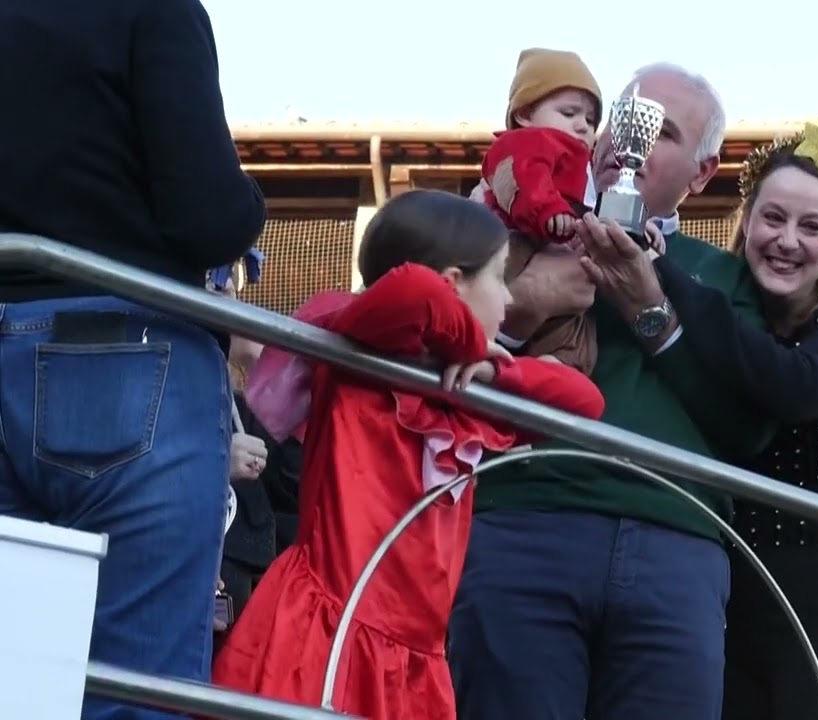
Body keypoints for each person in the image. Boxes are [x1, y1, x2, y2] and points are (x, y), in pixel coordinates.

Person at [449, 63, 776, 720]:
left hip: (677, 539)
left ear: (703, 172)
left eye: (662, 133)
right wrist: (525, 300)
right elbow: (422, 361)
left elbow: (748, 430)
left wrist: (653, 312)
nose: (626, 144)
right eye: (626, 120)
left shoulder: (724, 277)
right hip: (521, 519)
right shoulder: (502, 238)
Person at [213, 190, 606, 720]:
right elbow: (410, 293)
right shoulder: (358, 352)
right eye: (500, 276)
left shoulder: (469, 400)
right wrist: (466, 342)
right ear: (453, 284)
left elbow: (587, 402)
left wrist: (497, 370)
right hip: (327, 631)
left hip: (414, 655)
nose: (510, 300)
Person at [0, 0, 265, 717]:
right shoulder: (151, 9)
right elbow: (208, 216)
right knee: (133, 686)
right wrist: (249, 209)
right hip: (123, 356)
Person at [647, 121, 818, 720]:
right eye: (773, 218)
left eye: (811, 226)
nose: (787, 240)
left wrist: (672, 284)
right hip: (733, 590)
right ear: (748, 222)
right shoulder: (735, 311)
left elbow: (795, 386)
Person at [481, 47, 602, 373]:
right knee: (491, 289)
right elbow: (524, 179)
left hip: (554, 245)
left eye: (590, 120)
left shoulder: (583, 165)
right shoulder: (524, 144)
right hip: (514, 238)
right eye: (569, 113)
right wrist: (550, 212)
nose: (583, 126)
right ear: (524, 114)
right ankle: (483, 345)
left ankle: (559, 366)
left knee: (576, 322)